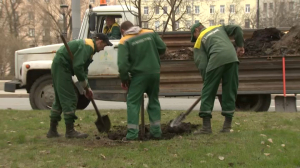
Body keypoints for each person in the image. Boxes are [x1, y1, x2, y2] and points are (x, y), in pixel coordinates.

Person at [47, 33, 112, 139]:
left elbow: (83, 69)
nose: (102, 49)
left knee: (60, 99)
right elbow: (77, 67)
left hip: (60, 66)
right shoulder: (88, 47)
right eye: (104, 46)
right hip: (62, 67)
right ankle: (70, 131)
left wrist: (88, 88)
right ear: (99, 41)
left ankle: (52, 130)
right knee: (70, 97)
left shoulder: (89, 48)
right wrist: (83, 84)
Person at [190, 22, 245, 134]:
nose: (195, 39)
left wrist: (209, 82)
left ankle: (206, 128)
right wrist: (240, 46)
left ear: (196, 31)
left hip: (216, 59)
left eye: (193, 37)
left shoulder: (199, 40)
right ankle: (227, 127)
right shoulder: (219, 27)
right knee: (229, 90)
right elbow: (237, 28)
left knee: (208, 92)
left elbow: (202, 64)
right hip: (232, 58)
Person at [117, 21, 166, 141]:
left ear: (123, 31)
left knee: (133, 102)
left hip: (139, 75)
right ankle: (156, 132)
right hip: (155, 72)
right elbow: (163, 48)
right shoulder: (150, 33)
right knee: (154, 100)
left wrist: (125, 79)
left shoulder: (125, 41)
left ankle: (132, 134)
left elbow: (122, 65)